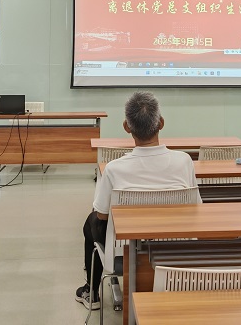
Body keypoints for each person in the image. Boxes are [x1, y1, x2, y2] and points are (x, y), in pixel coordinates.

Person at [77, 91, 197, 310]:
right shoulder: (184, 161)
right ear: (161, 123)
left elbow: (102, 215)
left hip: (126, 248)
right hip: (175, 245)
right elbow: (196, 207)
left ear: (126, 127)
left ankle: (91, 291)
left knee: (91, 220)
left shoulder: (114, 168)